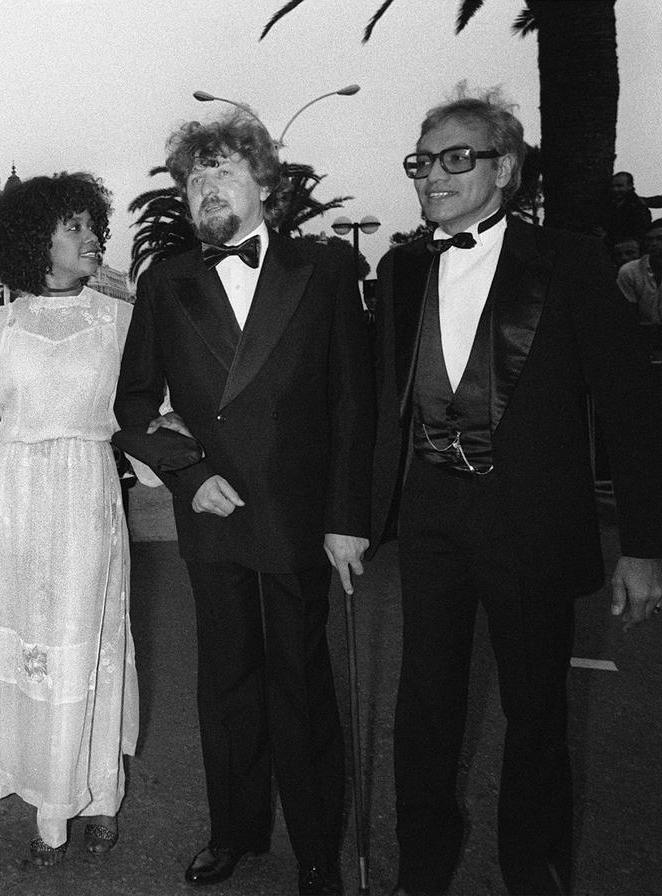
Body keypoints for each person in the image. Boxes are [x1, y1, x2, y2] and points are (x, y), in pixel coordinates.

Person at [370, 91, 662, 896]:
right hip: (432, 520)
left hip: (529, 523)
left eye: (456, 157)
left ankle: (533, 874)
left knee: (537, 718)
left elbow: (632, 409)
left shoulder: (568, 262)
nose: (433, 174)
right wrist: (351, 519)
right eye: (423, 160)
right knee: (424, 708)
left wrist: (642, 545)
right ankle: (421, 871)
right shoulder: (399, 271)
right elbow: (375, 403)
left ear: (505, 167)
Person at [114, 105, 374, 896]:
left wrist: (347, 519)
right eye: (194, 177)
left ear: (265, 184)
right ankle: (235, 833)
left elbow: (353, 406)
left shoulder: (324, 270)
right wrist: (189, 474)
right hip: (213, 515)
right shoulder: (167, 282)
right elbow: (132, 405)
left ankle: (319, 848)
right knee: (224, 683)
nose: (204, 188)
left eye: (223, 170)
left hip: (299, 519)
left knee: (301, 684)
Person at [0, 172, 139, 865]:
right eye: (72, 227)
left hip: (87, 500)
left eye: (91, 224)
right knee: (34, 653)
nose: (91, 237)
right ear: (33, 240)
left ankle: (99, 794)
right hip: (16, 504)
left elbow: (146, 406)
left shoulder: (120, 321)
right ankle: (48, 805)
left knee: (89, 645)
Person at [617, 218, 662, 326]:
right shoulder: (630, 271)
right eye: (649, 239)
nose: (654, 243)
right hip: (642, 334)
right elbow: (627, 313)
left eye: (660, 238)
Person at [607, 171, 655, 246]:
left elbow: (638, 233)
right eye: (613, 186)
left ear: (630, 186)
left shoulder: (638, 208)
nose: (615, 189)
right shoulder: (611, 204)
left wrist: (608, 237)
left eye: (620, 186)